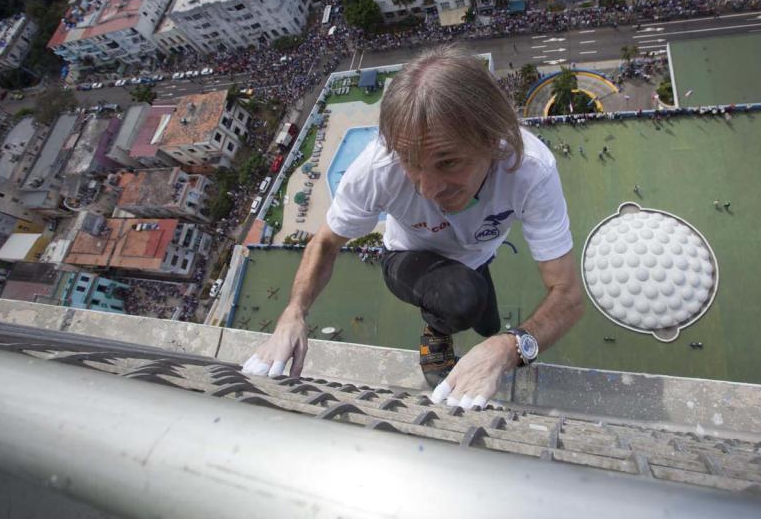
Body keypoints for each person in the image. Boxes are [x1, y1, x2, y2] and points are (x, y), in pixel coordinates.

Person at [242, 45, 584, 409]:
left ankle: (468, 319)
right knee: (459, 298)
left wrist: (509, 346)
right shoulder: (377, 169)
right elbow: (326, 242)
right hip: (408, 255)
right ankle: (436, 330)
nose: (428, 188)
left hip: (476, 257)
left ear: (491, 139)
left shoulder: (530, 170)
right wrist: (293, 313)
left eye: (448, 162)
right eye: (412, 162)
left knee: (488, 325)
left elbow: (567, 293)